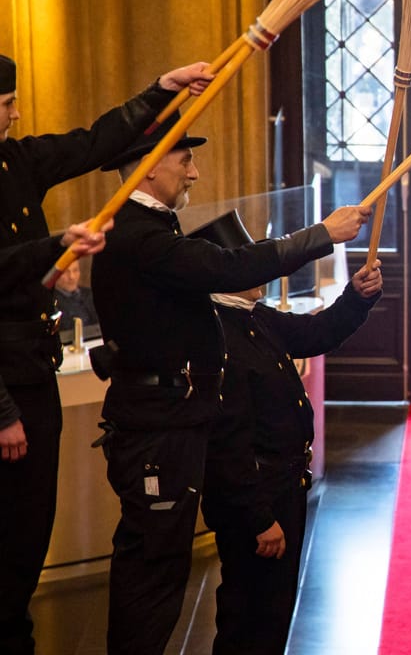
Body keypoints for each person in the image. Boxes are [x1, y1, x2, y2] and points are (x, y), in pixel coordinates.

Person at [90, 126, 370, 655]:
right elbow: (229, 267)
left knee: (165, 580)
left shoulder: (148, 233)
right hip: (159, 435)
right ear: (150, 164)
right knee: (153, 583)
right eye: (185, 160)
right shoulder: (139, 235)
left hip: (173, 429)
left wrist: (355, 297)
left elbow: (305, 331)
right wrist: (322, 234)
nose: (194, 172)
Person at [0, 53, 212, 655]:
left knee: (27, 538)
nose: (16, 111)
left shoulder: (17, 160)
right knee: (8, 541)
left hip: (32, 370)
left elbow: (93, 143)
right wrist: (1, 410)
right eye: (6, 104)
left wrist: (159, 92)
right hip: (6, 387)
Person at [191, 209, 383, 655]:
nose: (263, 271)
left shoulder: (253, 317)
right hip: (256, 501)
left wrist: (357, 296)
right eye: (252, 262)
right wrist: (260, 519)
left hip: (282, 488)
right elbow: (227, 445)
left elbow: (315, 333)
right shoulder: (218, 335)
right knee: (249, 616)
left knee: (275, 612)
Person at [52, 262, 98, 339]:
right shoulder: (52, 301)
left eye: (75, 270)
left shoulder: (90, 293)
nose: (71, 277)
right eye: (66, 272)